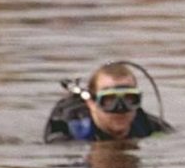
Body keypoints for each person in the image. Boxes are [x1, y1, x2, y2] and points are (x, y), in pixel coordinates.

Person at [43, 61, 173, 142]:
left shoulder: (147, 125)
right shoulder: (69, 131)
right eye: (109, 100)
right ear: (91, 103)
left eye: (129, 99)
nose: (120, 109)